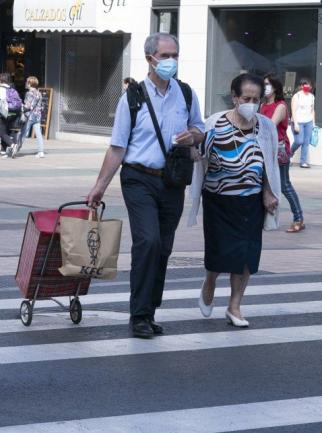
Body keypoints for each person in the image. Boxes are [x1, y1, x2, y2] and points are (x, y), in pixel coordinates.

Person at [86, 32, 205, 339]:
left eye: (175, 55)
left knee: (163, 248)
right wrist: (100, 186)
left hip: (173, 181)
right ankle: (138, 315)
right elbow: (117, 147)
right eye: (166, 56)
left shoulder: (187, 93)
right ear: (150, 58)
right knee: (148, 241)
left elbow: (200, 131)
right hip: (138, 177)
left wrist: (192, 136)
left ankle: (149, 311)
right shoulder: (133, 97)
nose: (171, 61)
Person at [189, 73, 280, 327]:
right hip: (218, 200)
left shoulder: (266, 126)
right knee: (219, 253)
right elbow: (199, 158)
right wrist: (189, 147)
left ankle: (234, 306)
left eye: (256, 99)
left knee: (247, 256)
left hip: (250, 201)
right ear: (234, 97)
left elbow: (269, 164)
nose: (251, 103)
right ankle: (209, 282)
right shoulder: (214, 124)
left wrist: (268, 192)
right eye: (246, 98)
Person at [261, 74, 304, 233]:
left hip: (279, 148)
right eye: (263, 84)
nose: (265, 87)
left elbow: (270, 126)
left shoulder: (280, 106)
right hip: (263, 147)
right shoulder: (262, 105)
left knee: (284, 185)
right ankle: (265, 218)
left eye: (267, 84)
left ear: (275, 87)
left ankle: (298, 217)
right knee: (263, 183)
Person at [0, 73, 19, 158]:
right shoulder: (12, 88)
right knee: (6, 132)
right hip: (13, 113)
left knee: (2, 133)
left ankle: (12, 145)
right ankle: (3, 152)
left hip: (2, 114)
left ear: (0, 80)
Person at [14, 76, 45, 158]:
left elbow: (28, 106)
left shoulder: (29, 93)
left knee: (23, 133)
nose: (25, 83)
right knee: (39, 134)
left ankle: (16, 149)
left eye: (27, 82)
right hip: (37, 116)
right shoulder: (39, 93)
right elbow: (41, 105)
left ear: (30, 83)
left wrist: (20, 106)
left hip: (29, 116)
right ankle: (41, 151)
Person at [290, 78, 315, 168]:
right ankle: (289, 154)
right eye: (305, 85)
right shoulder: (297, 96)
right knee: (299, 141)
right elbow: (293, 110)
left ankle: (303, 162)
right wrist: (296, 124)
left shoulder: (312, 96)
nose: (307, 86)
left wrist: (313, 123)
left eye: (309, 85)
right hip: (298, 122)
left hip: (308, 122)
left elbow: (312, 110)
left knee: (306, 142)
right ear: (301, 86)